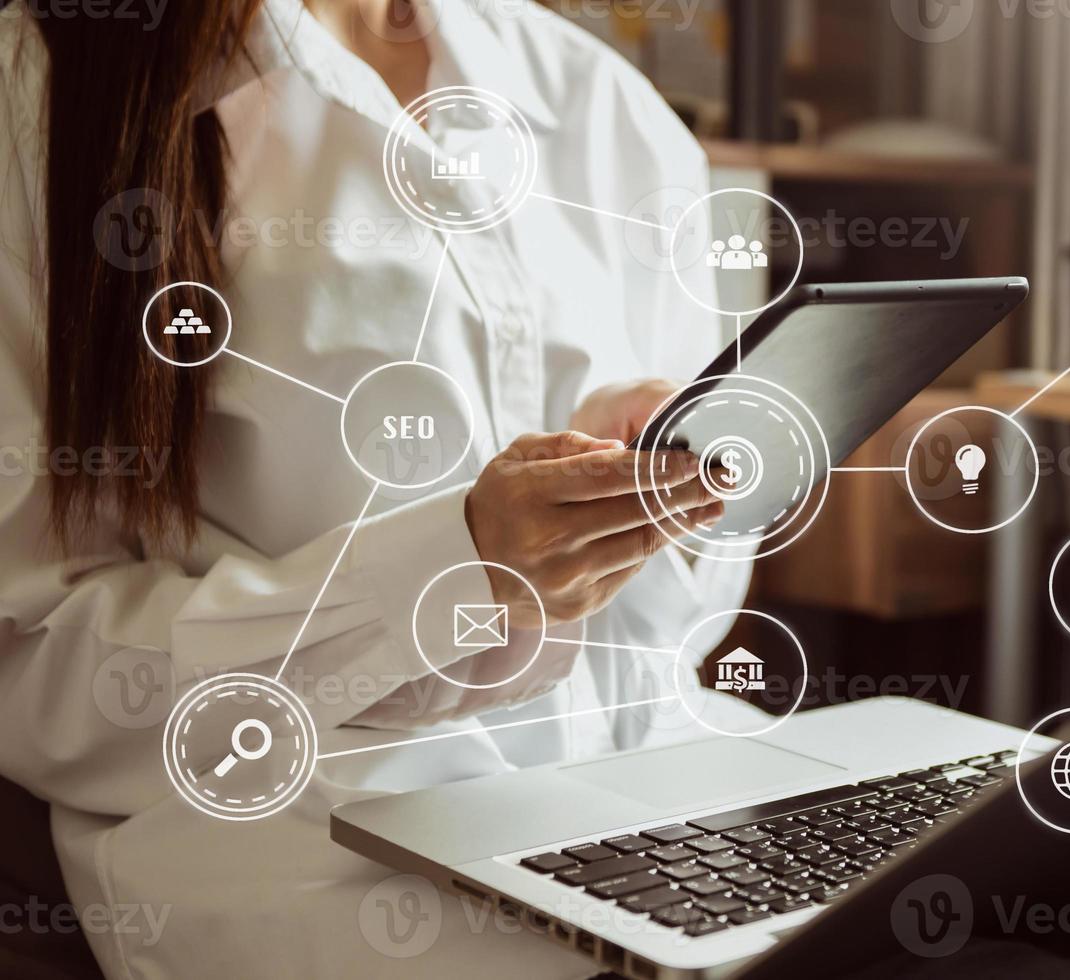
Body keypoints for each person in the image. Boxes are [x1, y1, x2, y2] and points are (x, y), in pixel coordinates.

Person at [0, 0, 756, 975]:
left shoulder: (609, 109)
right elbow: (33, 659)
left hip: (644, 774)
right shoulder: (44, 91)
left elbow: (684, 629)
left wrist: (656, 499)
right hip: (302, 835)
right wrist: (454, 572)